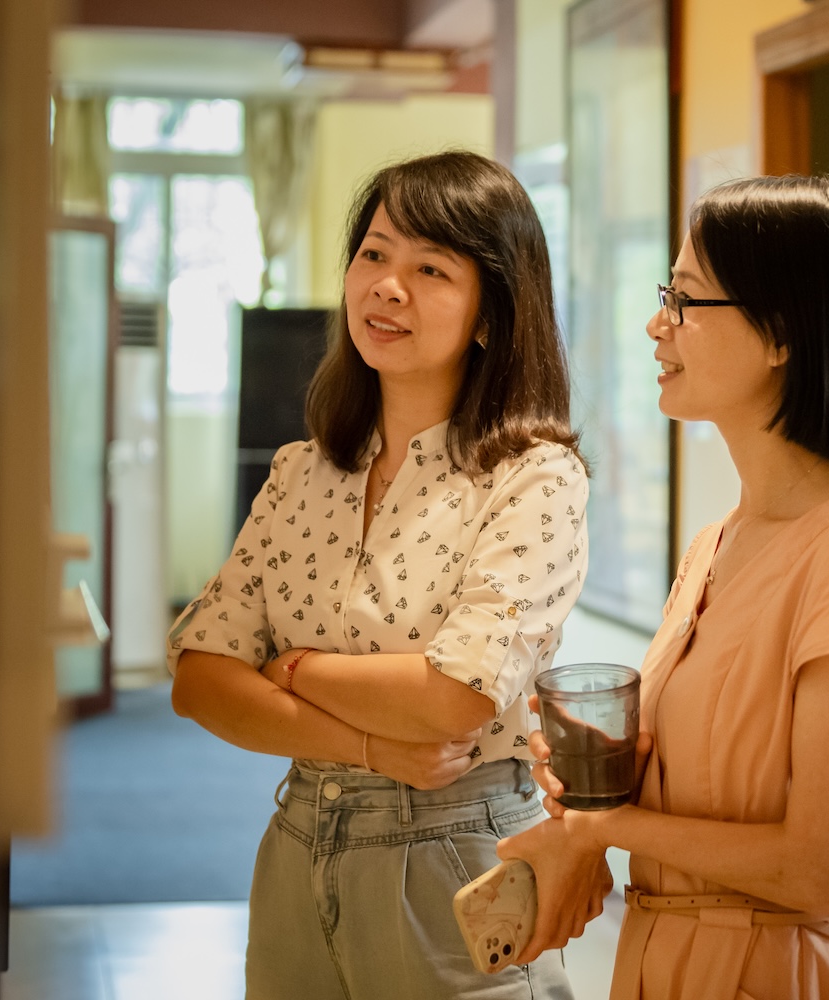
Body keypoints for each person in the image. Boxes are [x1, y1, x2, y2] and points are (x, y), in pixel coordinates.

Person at [168, 151, 597, 1000]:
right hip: (297, 839)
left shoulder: (533, 477)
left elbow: (457, 697)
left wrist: (292, 672)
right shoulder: (303, 471)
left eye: (430, 267)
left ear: (489, 315)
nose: (388, 286)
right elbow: (198, 678)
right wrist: (364, 742)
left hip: (458, 849)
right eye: (374, 254)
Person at [497, 174, 829, 1000]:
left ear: (781, 334)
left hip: (766, 971)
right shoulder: (716, 543)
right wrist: (597, 771)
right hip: (664, 960)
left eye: (686, 298)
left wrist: (608, 826)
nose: (658, 323)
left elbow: (817, 872)